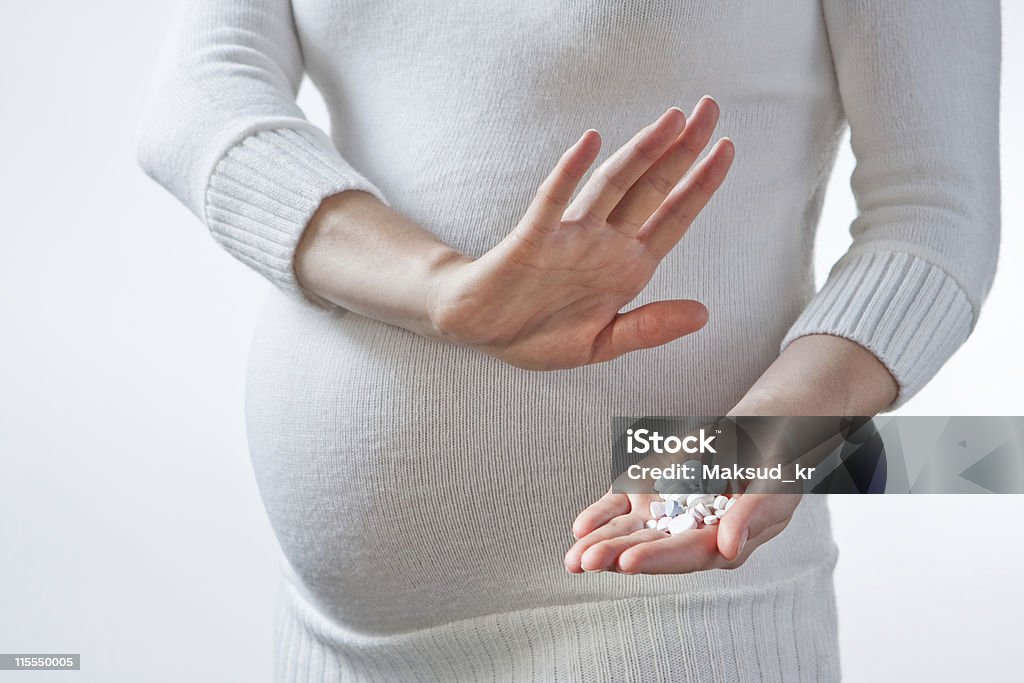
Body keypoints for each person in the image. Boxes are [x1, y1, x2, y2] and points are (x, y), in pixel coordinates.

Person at [136, 0, 1000, 680]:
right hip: (335, 634)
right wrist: (442, 290)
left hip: (669, 610)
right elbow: (199, 90)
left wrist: (766, 443)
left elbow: (932, 217)